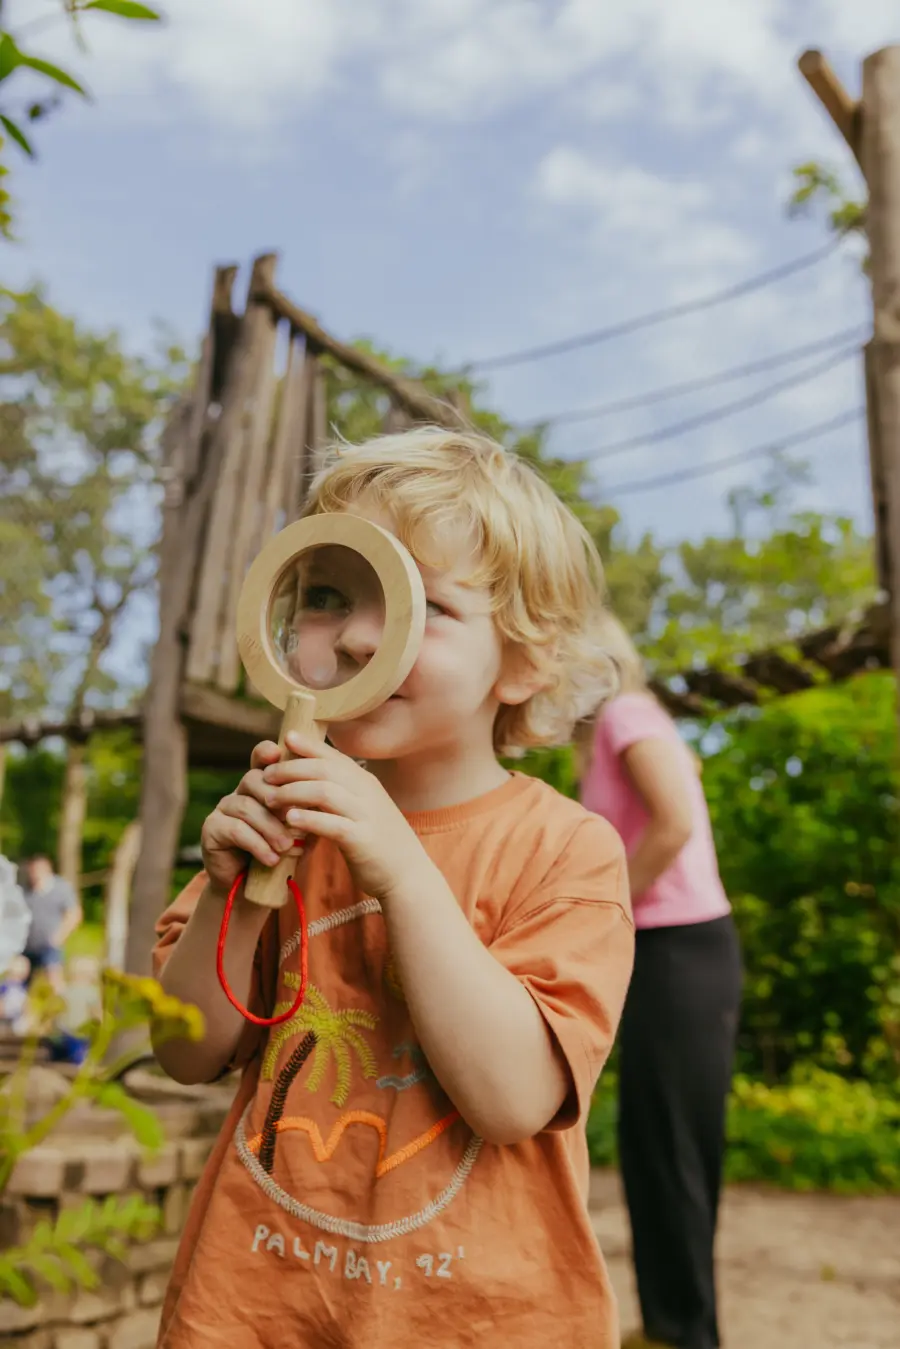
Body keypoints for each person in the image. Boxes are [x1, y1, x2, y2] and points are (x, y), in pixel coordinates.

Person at [151, 427, 635, 1348]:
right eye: (328, 595)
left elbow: (512, 1098)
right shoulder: (279, 814)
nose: (362, 633)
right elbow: (185, 1053)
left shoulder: (566, 849)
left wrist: (400, 864)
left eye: (426, 606)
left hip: (478, 1321)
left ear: (526, 660)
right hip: (256, 1307)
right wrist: (229, 893)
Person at [576, 614, 742, 1349]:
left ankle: (685, 1332)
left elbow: (673, 821)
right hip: (668, 950)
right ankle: (676, 1321)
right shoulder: (621, 731)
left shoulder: (626, 711)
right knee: (655, 1141)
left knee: (672, 1146)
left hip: (678, 949)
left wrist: (605, 915)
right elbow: (683, 783)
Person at [21, 854, 83, 992]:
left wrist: (60, 936)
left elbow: (74, 914)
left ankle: (60, 1008)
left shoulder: (61, 889)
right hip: (27, 946)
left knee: (54, 979)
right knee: (22, 982)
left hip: (50, 945)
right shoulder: (25, 890)